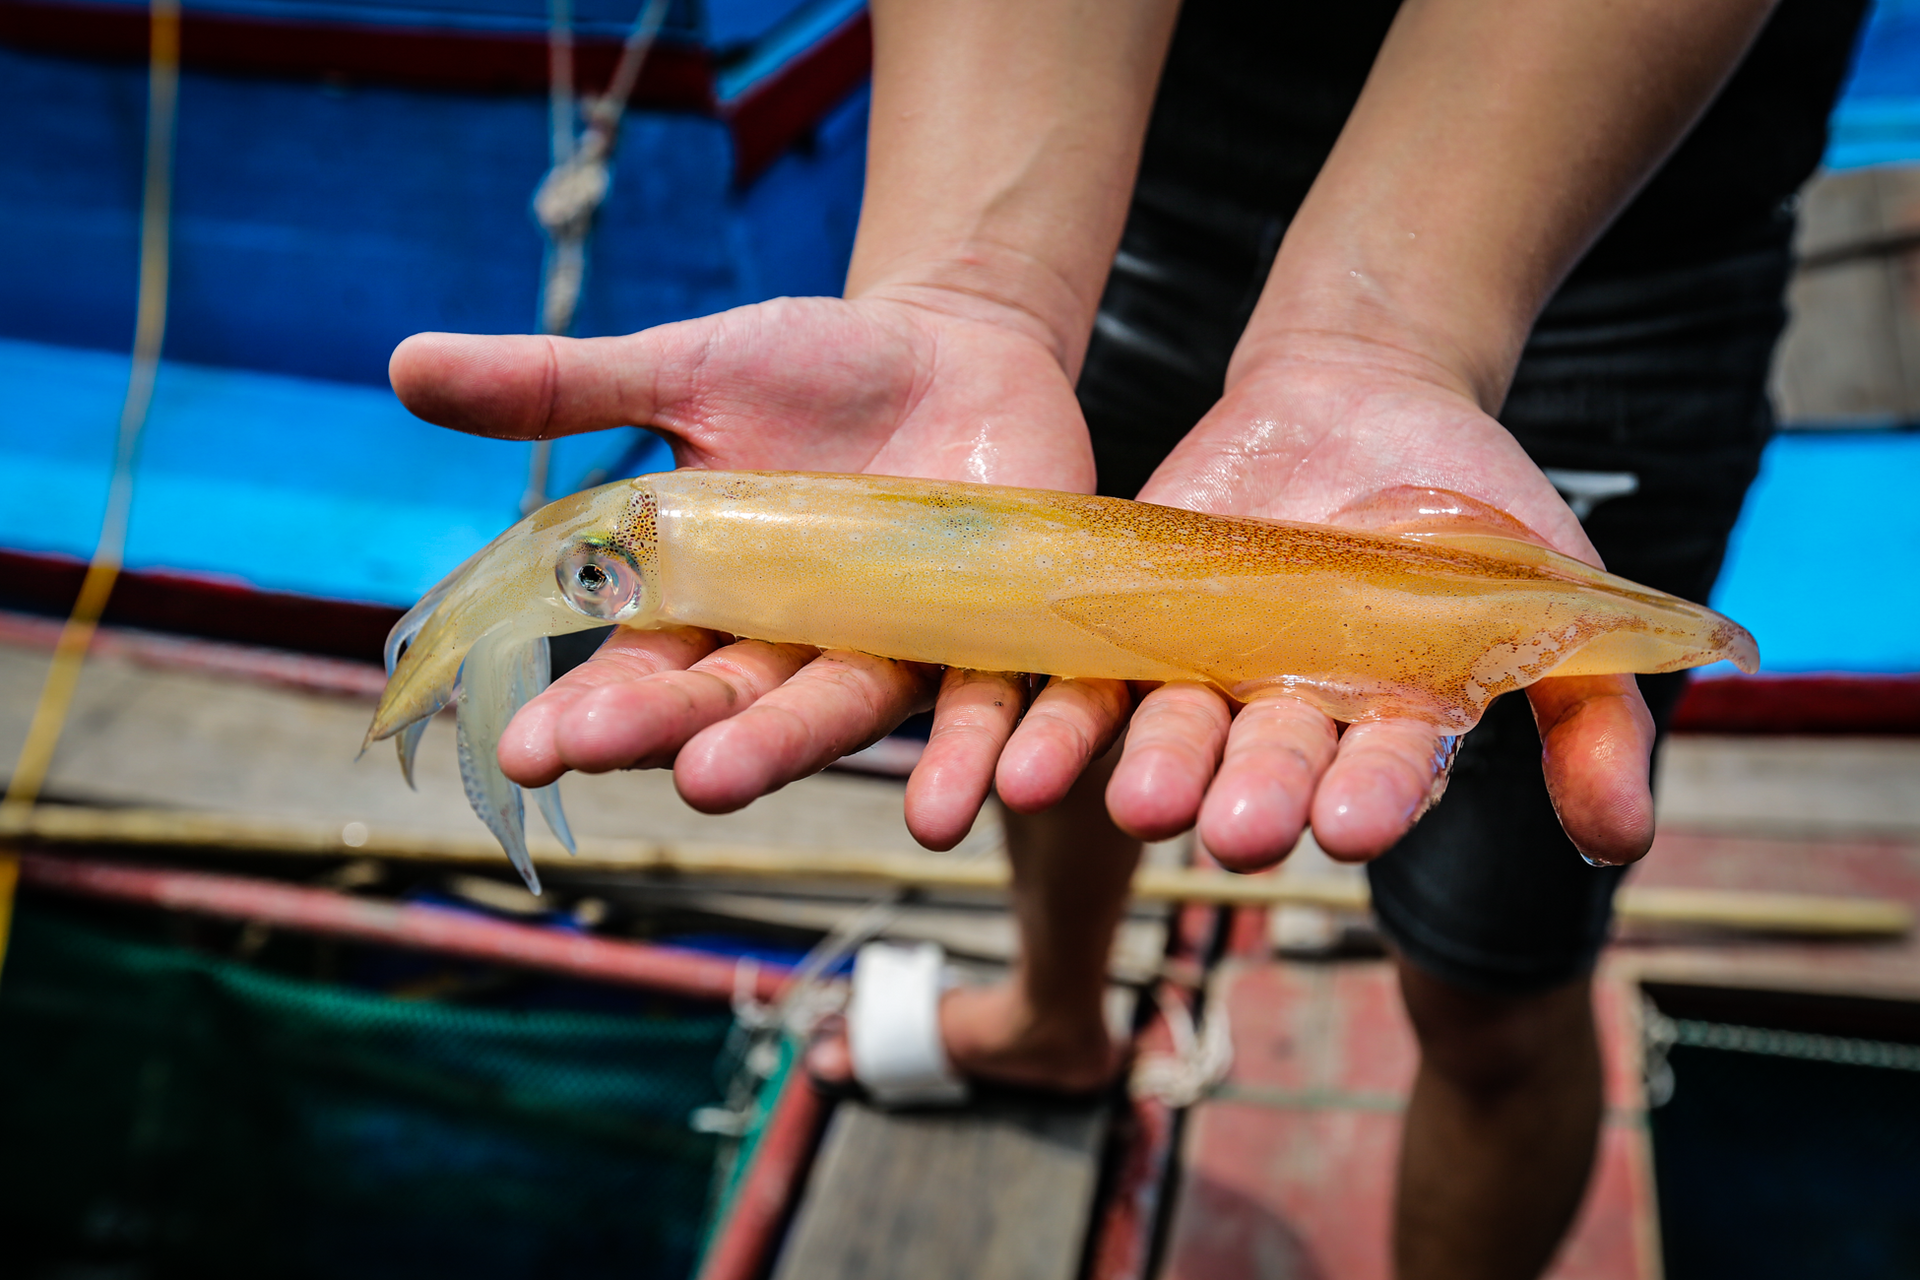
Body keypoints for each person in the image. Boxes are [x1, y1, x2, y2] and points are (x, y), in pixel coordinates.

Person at [389, 1, 1868, 1274]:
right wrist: (970, 284)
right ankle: (1054, 1015)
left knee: (1496, 990)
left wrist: (1391, 327)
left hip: (1607, 206)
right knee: (1064, 725)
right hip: (1140, 165)